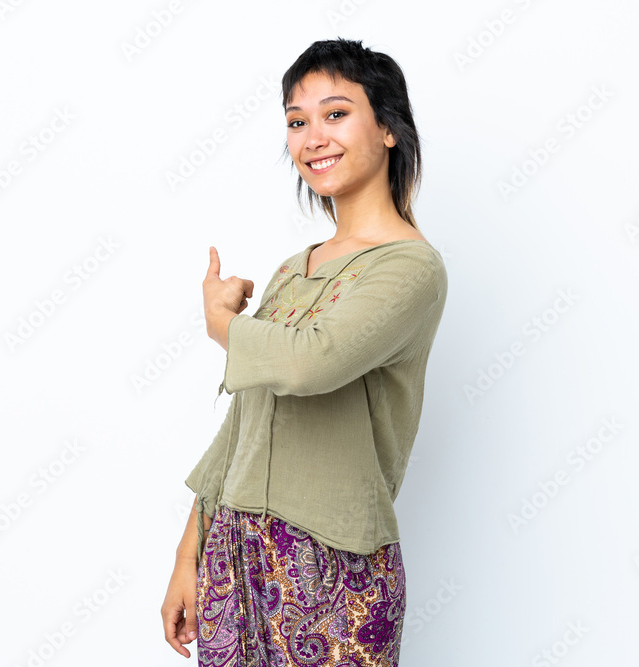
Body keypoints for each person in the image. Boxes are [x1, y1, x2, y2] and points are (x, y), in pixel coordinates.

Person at [161, 37, 448, 666]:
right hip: (233, 552)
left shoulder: (410, 269)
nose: (313, 136)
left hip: (334, 565)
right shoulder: (296, 268)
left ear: (391, 129)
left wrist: (223, 326)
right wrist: (190, 557)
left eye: (336, 114)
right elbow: (243, 425)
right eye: (297, 122)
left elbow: (308, 363)